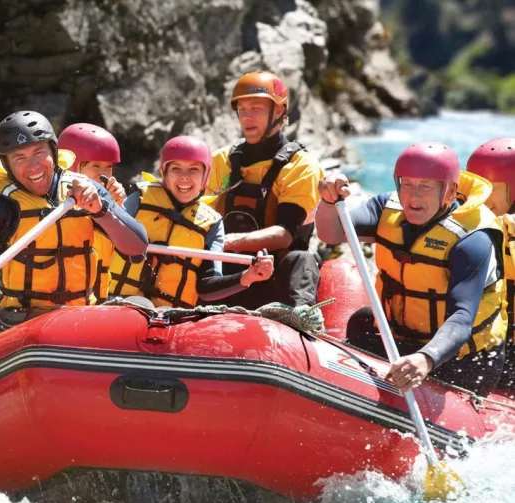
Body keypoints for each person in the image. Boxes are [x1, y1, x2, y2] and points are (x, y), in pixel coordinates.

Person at [0, 111, 149, 351]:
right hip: (15, 320)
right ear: (6, 165)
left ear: (53, 152)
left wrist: (99, 210)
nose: (33, 166)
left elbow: (138, 248)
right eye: (19, 158)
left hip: (78, 316)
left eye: (39, 153)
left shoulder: (86, 191)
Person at [316, 142, 507, 396]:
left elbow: (461, 318)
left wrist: (426, 358)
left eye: (426, 187)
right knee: (361, 322)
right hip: (407, 338)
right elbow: (331, 232)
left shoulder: (472, 239)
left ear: (450, 192)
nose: (413, 196)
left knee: (454, 362)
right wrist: (329, 202)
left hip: (462, 356)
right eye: (407, 184)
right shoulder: (386, 208)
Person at [108, 135, 273, 308]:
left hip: (169, 316)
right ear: (164, 173)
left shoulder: (212, 224)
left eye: (194, 169)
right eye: (176, 169)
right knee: (140, 304)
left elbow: (207, 286)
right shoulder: (139, 200)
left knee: (160, 310)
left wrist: (248, 276)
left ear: (205, 177)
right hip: (118, 304)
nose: (184, 176)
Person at [206, 71, 324, 309]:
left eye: (256, 109)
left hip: (275, 274)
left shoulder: (301, 165)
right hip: (228, 273)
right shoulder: (222, 161)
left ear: (278, 112)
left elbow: (285, 234)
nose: (247, 118)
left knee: (302, 257)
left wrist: (224, 242)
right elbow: (200, 218)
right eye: (242, 110)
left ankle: (299, 320)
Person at [465, 137, 515, 392]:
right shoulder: (464, 226)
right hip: (479, 341)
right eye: (475, 185)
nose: (479, 195)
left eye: (491, 187)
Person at [58, 123, 126, 301]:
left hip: (98, 300)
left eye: (108, 167)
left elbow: (129, 250)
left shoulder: (109, 202)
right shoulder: (57, 205)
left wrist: (117, 206)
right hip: (63, 303)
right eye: (96, 166)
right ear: (73, 168)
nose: (104, 175)